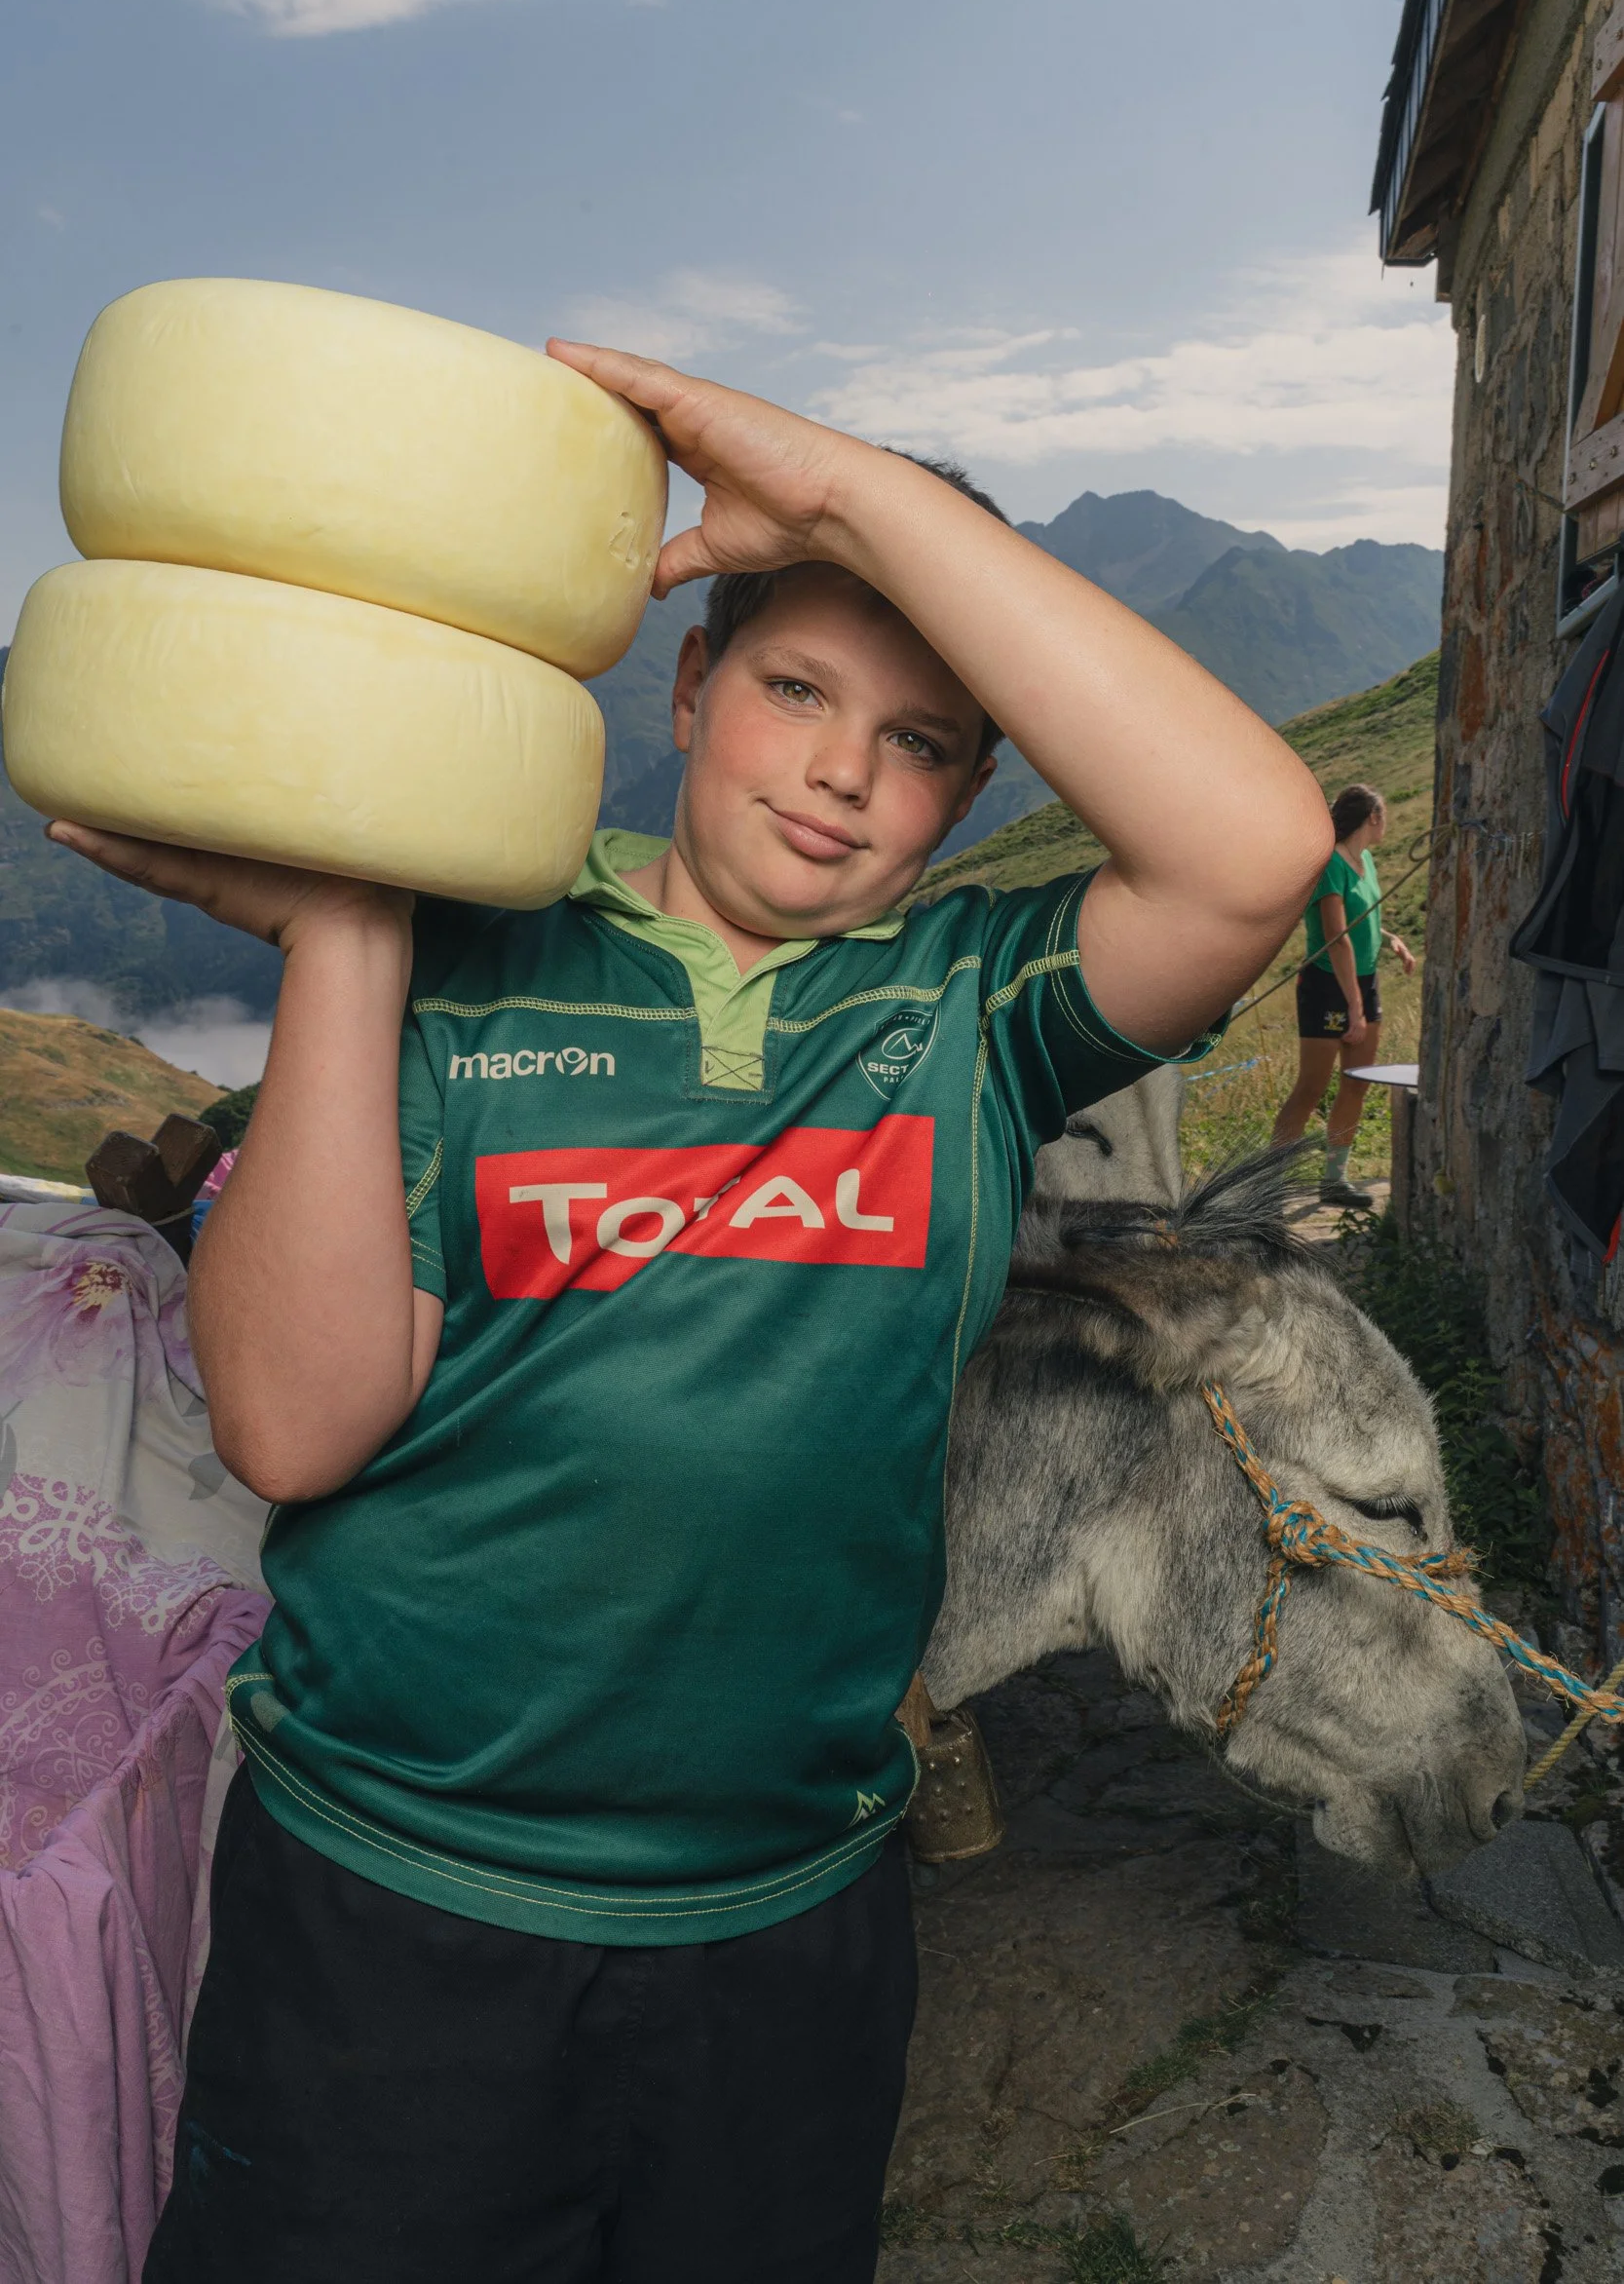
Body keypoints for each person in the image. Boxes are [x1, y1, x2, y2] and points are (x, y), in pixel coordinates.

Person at [52, 350, 1332, 2284]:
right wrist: (346, 939)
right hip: (391, 1911)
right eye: (793, 689)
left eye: (917, 740)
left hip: (782, 1929)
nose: (839, 770)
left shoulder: (968, 1006)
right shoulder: (463, 963)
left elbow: (1254, 849)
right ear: (685, 689)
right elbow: (296, 1427)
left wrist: (848, 495)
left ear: (970, 789)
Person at [1269, 781, 1416, 1205]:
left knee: (1357, 1083)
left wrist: (1390, 939)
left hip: (1364, 982)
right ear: (1372, 817)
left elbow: (1361, 917)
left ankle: (1334, 1180)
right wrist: (1354, 1007)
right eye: (1384, 816)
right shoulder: (1330, 865)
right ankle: (1268, 1186)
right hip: (1326, 985)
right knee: (1311, 1088)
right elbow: (1337, 938)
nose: (1386, 824)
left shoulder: (1364, 859)